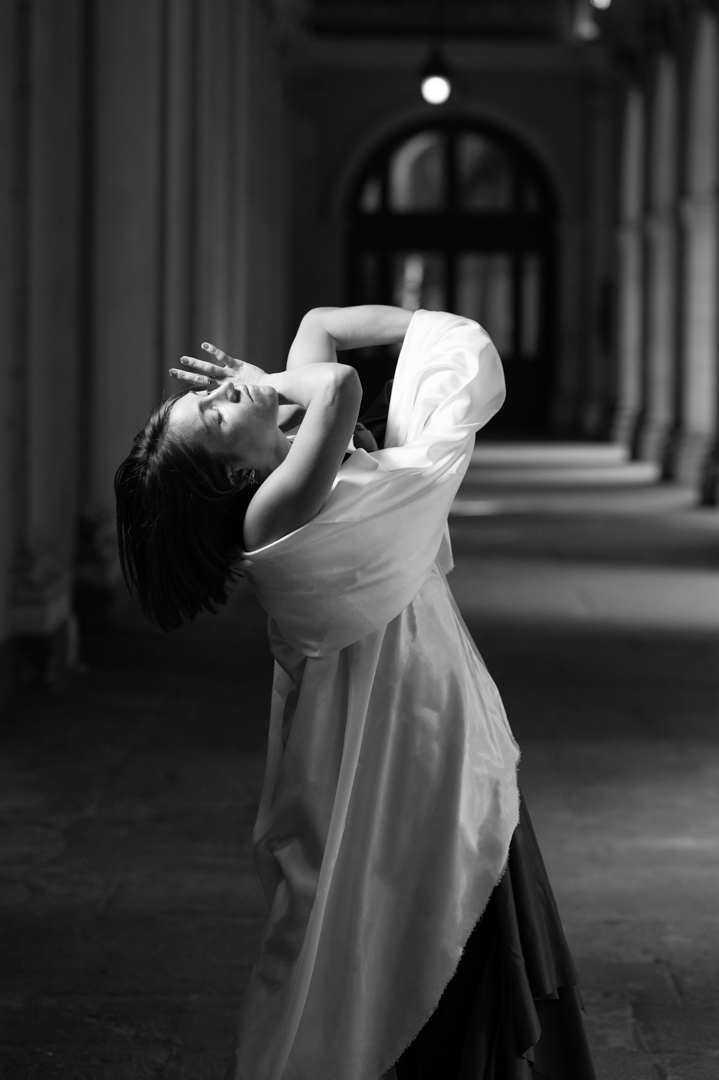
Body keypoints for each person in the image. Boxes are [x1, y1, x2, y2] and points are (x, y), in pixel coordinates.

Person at [115, 306, 596, 1080]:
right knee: (393, 894)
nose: (229, 392)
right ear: (236, 475)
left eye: (208, 396)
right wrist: (263, 383)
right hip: (392, 728)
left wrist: (265, 392)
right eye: (211, 414)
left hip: (431, 706)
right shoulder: (268, 515)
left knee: (466, 861)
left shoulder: (301, 461)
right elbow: (336, 379)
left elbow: (321, 326)